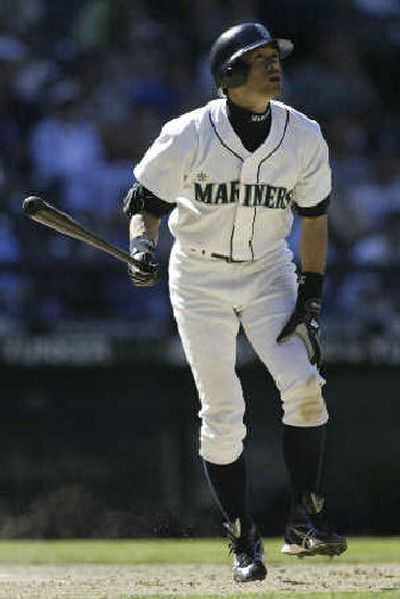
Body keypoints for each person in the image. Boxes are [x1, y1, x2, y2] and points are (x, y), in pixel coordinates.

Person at [122, 22, 347, 583]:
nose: (274, 65)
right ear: (228, 74)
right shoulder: (188, 133)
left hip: (271, 272)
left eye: (276, 56)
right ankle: (244, 538)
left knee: (305, 388)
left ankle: (305, 520)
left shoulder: (303, 134)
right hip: (198, 276)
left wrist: (312, 294)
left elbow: (315, 219)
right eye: (260, 58)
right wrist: (142, 247)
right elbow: (145, 202)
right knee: (223, 414)